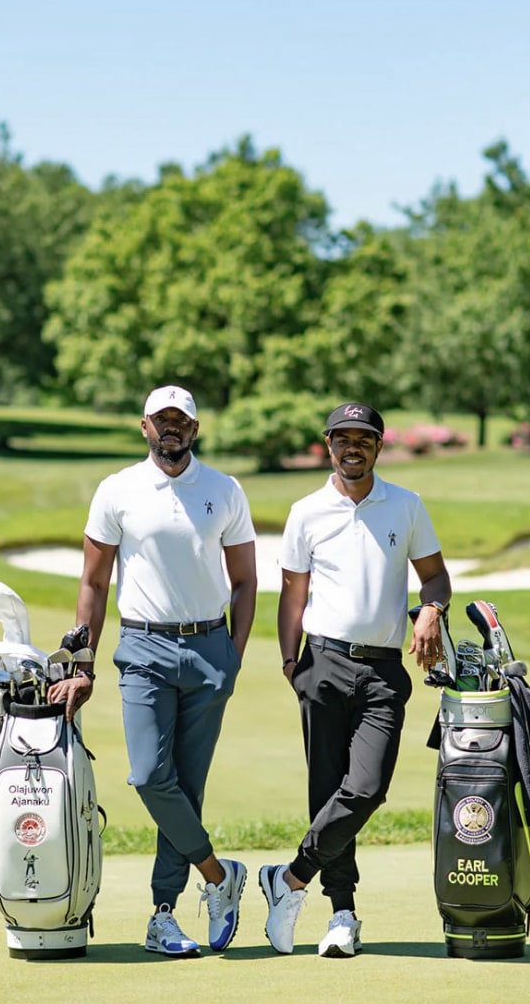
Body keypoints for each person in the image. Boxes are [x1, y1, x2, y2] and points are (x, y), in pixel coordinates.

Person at [49, 385, 257, 958]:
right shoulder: (118, 490)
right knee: (149, 777)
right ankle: (218, 876)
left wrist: (233, 655)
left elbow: (244, 580)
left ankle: (163, 913)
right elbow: (93, 583)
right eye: (161, 420)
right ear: (144, 426)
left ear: (195, 429)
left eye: (181, 421)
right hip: (143, 648)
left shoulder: (224, 490)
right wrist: (82, 662)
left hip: (209, 649)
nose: (172, 428)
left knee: (186, 788)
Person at [259, 402, 451, 957]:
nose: (351, 447)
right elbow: (293, 593)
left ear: (379, 446)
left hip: (384, 670)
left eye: (362, 439)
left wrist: (432, 610)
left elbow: (435, 576)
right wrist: (291, 663)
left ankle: (291, 876)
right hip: (321, 663)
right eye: (341, 438)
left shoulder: (407, 506)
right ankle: (342, 914)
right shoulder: (307, 511)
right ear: (328, 445)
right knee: (325, 791)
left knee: (367, 788)